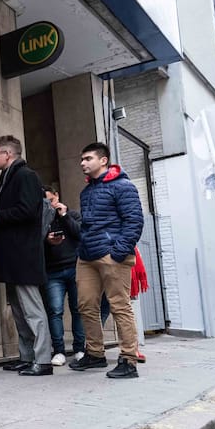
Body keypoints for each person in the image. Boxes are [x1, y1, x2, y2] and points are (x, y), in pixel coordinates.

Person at [0, 135, 53, 377]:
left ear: (7, 154)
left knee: (32, 308)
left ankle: (43, 360)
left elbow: (28, 210)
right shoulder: (8, 176)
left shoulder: (26, 175)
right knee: (19, 310)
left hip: (23, 254)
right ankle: (27, 356)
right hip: (13, 255)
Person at [69, 142, 144, 378]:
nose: (83, 163)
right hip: (87, 256)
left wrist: (118, 252)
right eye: (81, 159)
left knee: (119, 306)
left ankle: (129, 360)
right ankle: (95, 354)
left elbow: (134, 222)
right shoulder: (87, 191)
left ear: (103, 160)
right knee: (85, 305)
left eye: (88, 158)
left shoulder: (123, 186)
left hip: (112, 255)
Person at [42, 186, 85, 366]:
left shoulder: (73, 215)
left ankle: (80, 349)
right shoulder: (43, 220)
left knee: (78, 310)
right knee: (55, 311)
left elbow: (80, 233)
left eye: (51, 200)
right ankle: (58, 350)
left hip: (75, 267)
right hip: (53, 271)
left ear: (57, 196)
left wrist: (64, 215)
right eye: (46, 203)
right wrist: (47, 240)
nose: (50, 205)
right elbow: (36, 243)